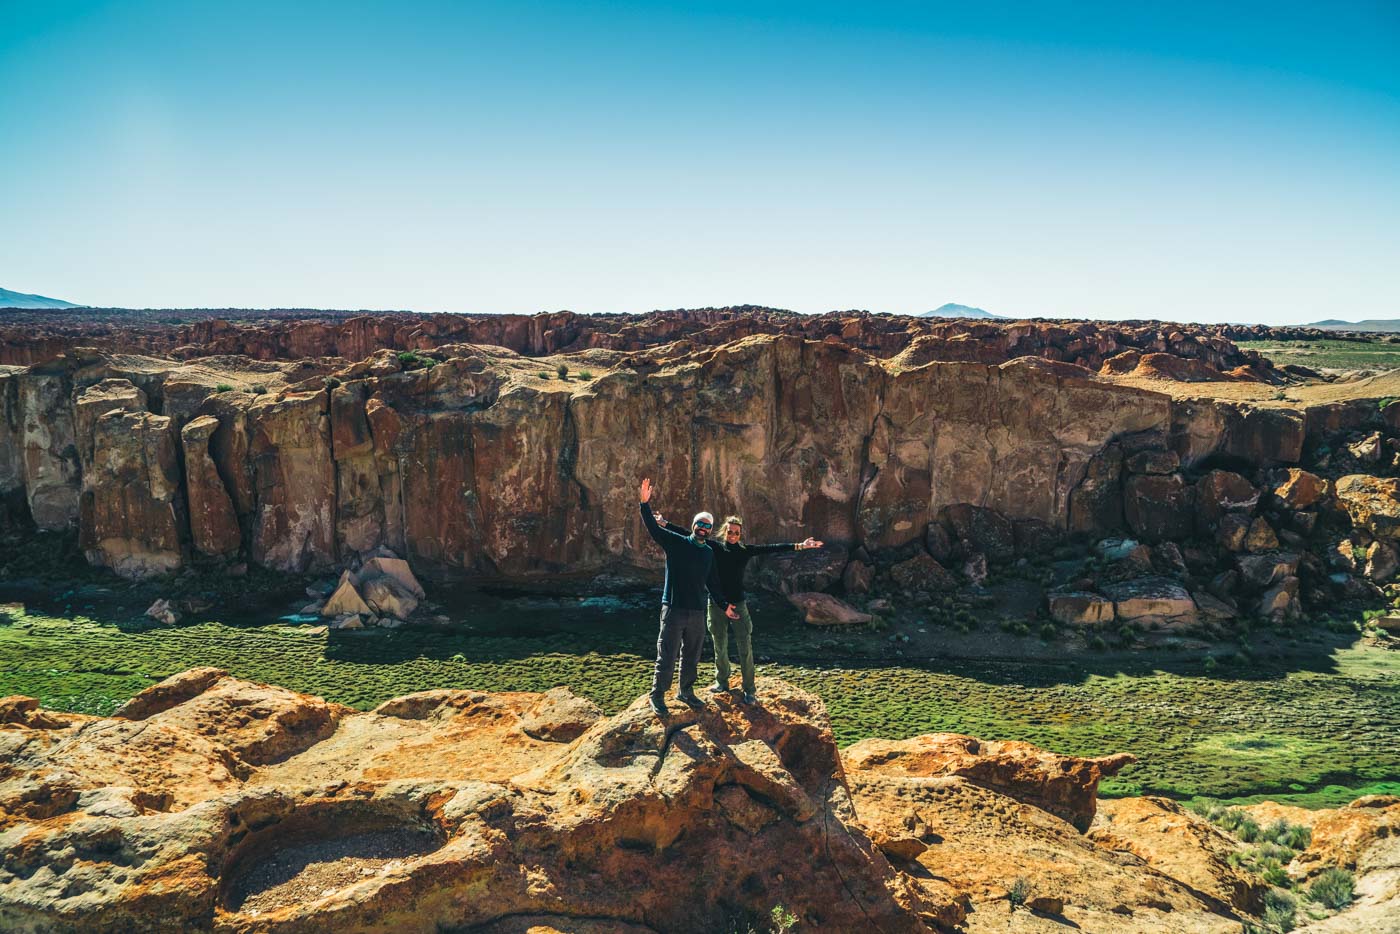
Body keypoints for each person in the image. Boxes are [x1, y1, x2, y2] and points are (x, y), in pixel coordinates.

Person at [655, 510, 822, 704]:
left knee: (745, 647)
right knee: (720, 646)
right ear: (724, 532)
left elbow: (771, 548)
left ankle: (749, 689)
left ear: (740, 535)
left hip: (738, 605)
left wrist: (801, 546)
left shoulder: (744, 550)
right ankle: (722, 682)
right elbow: (687, 533)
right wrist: (664, 523)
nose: (733, 535)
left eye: (736, 533)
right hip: (717, 605)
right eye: (730, 532)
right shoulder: (713, 547)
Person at [638, 478, 737, 718]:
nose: (703, 528)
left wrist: (724, 606)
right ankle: (657, 695)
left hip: (696, 612)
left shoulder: (708, 553)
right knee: (667, 654)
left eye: (707, 526)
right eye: (700, 524)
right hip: (673, 609)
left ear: (710, 530)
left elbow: (713, 584)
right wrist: (644, 504)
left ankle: (685, 691)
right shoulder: (676, 542)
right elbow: (653, 528)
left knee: (692, 655)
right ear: (693, 526)